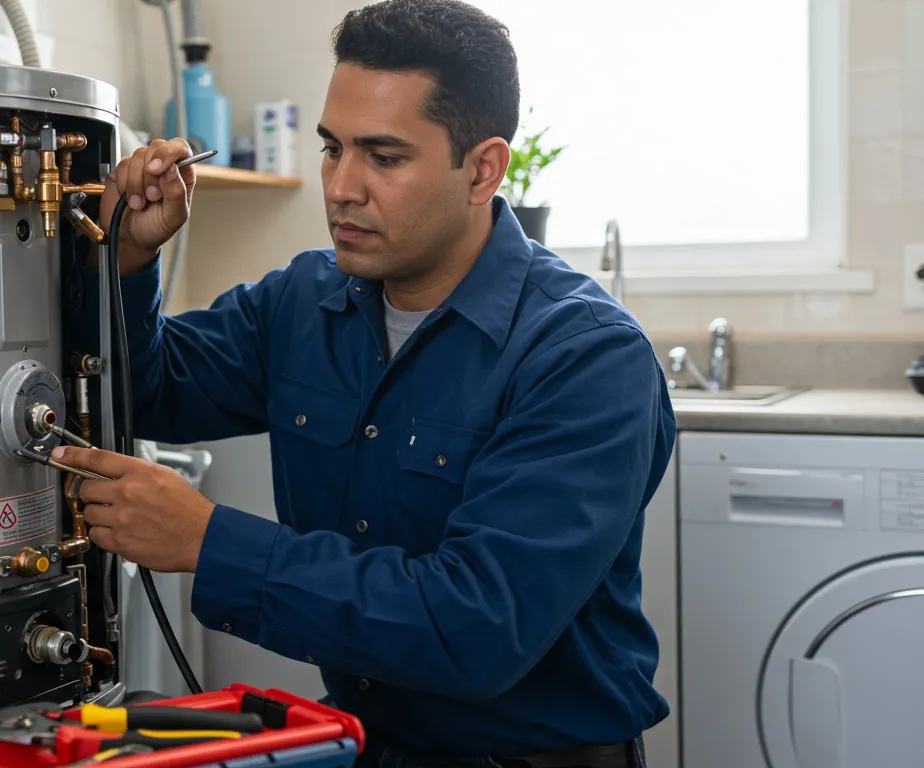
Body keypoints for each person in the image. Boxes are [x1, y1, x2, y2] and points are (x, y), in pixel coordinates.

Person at [59, 1, 675, 765]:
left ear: (483, 169)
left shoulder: (585, 357)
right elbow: (150, 392)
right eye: (332, 148)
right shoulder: (302, 302)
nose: (341, 187)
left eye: (383, 157)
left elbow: (477, 627)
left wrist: (209, 541)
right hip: (366, 745)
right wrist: (127, 259)